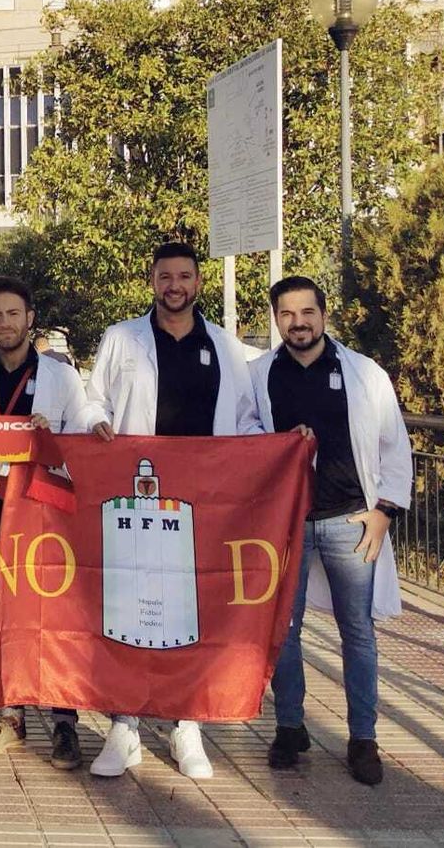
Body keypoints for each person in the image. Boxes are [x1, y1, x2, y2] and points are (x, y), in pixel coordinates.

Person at [82, 241, 262, 780]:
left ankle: (187, 726)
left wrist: (280, 449)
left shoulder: (226, 347)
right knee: (129, 609)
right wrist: (94, 421)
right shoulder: (122, 338)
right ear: (153, 281)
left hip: (203, 503)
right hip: (139, 498)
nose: (175, 286)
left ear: (198, 283)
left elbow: (247, 420)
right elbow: (93, 399)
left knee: (191, 611)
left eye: (184, 276)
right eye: (166, 276)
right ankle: (125, 726)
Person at [250, 276, 412, 786]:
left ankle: (363, 738)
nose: (297, 323)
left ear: (323, 315)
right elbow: (243, 430)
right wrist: (278, 442)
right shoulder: (259, 375)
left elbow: (394, 444)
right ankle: (290, 727)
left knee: (357, 632)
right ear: (276, 319)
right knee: (284, 628)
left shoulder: (364, 373)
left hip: (350, 521)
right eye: (287, 314)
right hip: (287, 523)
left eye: (307, 313)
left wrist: (384, 512)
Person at [0, 276, 106, 769]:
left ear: (30, 319)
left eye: (13, 314)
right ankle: (11, 716)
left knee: (57, 616)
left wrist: (58, 435)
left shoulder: (61, 376)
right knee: (5, 615)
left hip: (46, 509)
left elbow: (82, 430)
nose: (5, 323)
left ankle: (65, 724)